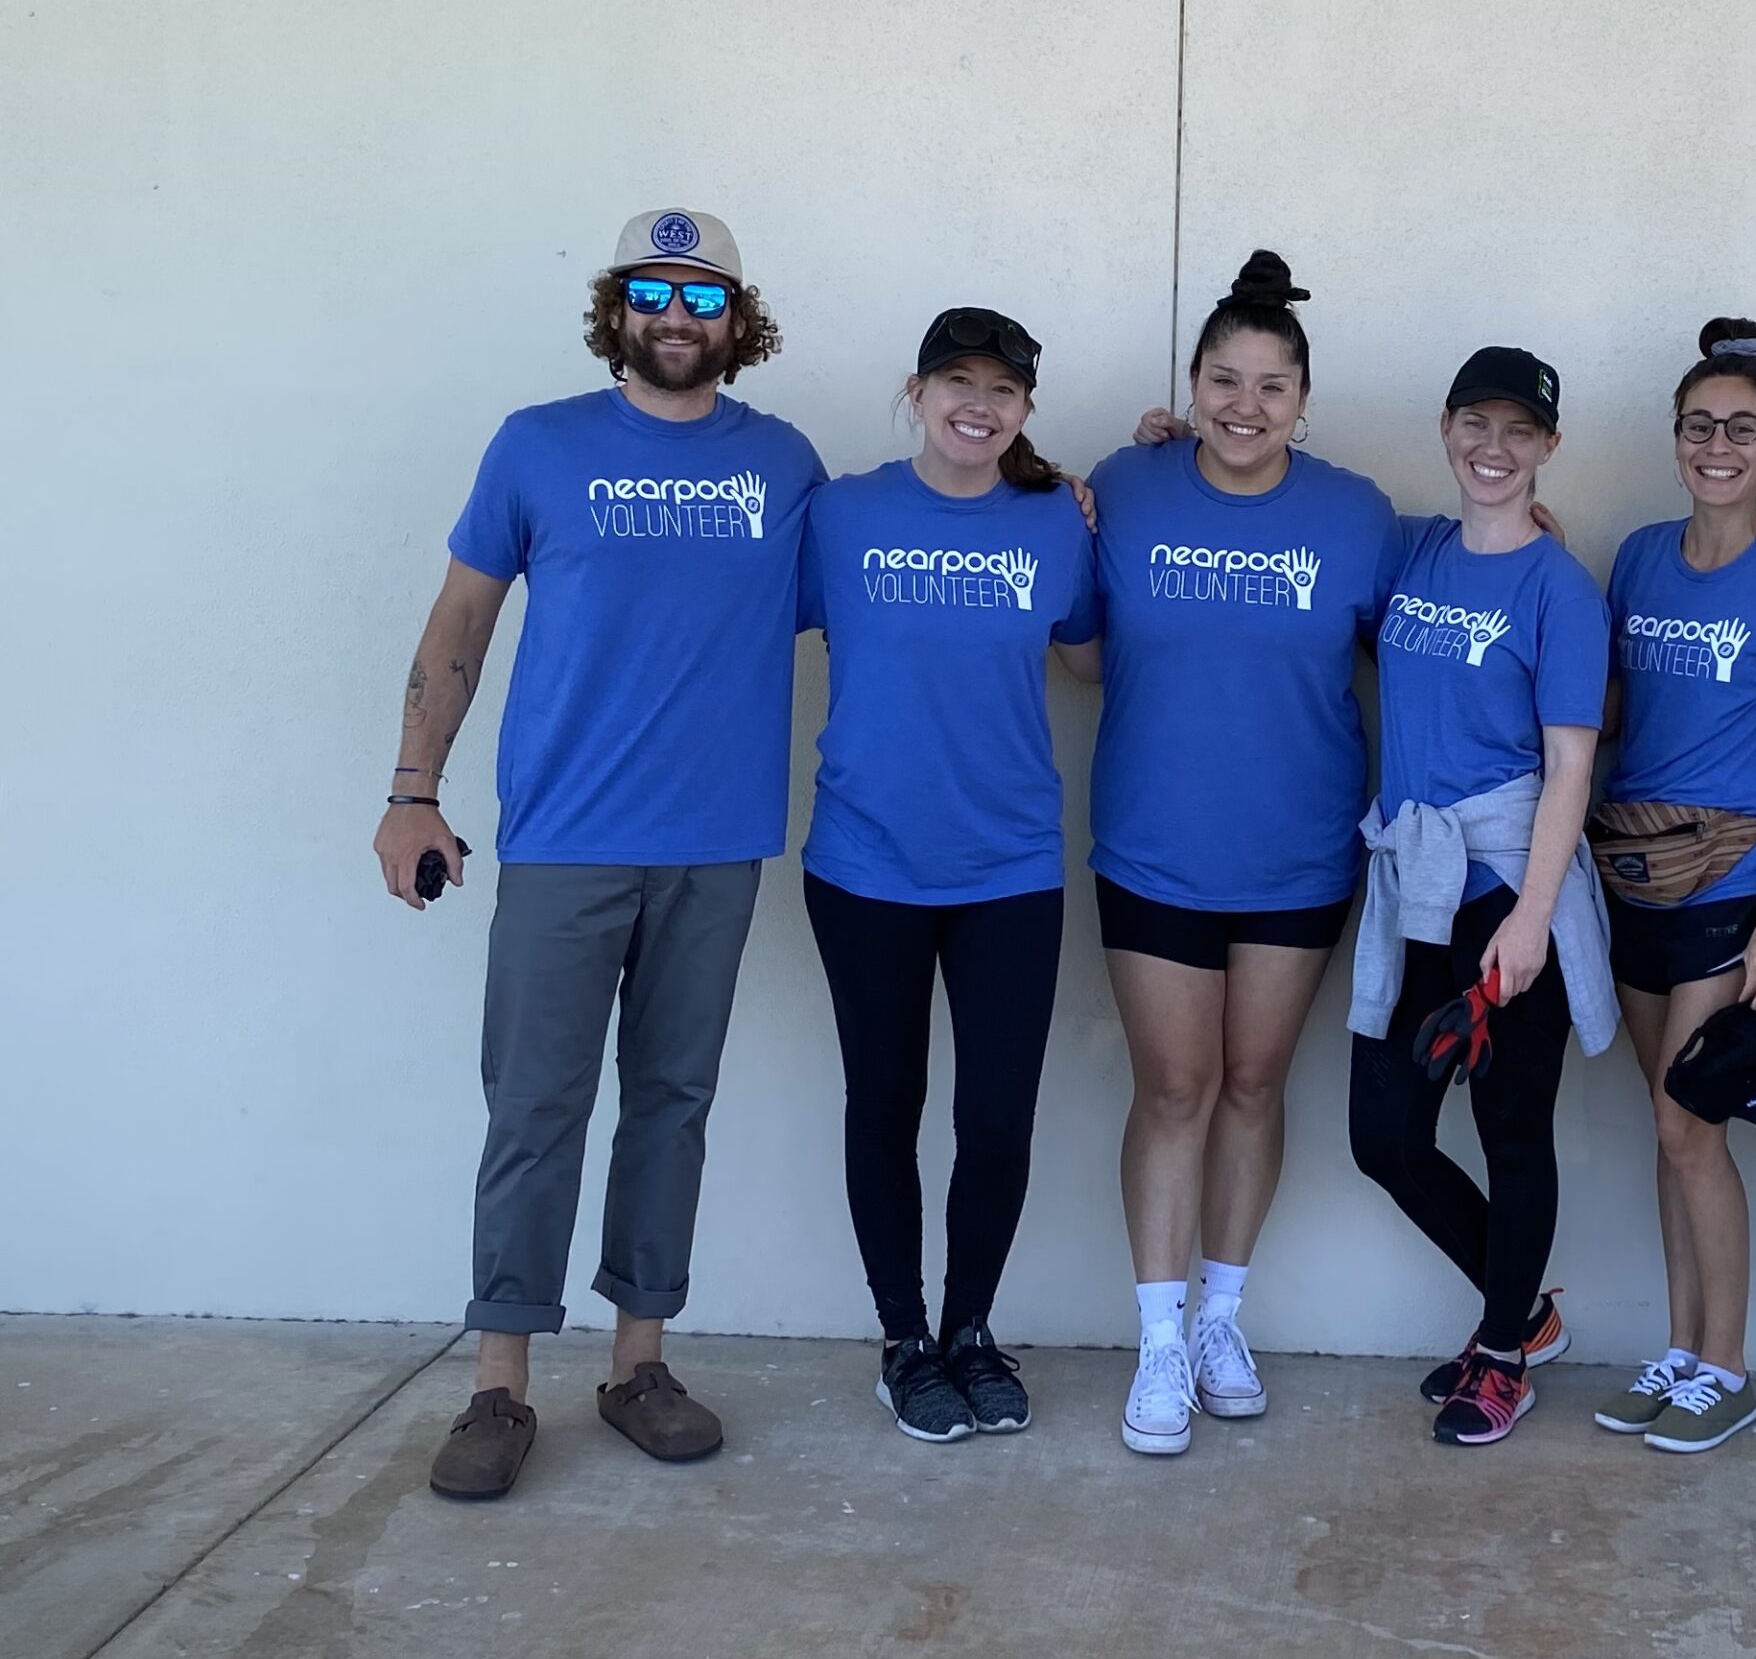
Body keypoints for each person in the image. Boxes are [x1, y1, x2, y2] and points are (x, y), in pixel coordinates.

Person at [376, 209, 823, 1502]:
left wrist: (1055, 488)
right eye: (651, 289)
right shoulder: (538, 447)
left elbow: (912, 545)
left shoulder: (786, 464)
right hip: (566, 842)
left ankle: (639, 1365)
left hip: (718, 844)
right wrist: (413, 790)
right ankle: (499, 1384)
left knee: (672, 1105)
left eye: (702, 294)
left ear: (736, 318)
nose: (675, 315)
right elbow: (460, 618)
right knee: (535, 1110)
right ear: (616, 305)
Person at [1084, 253, 1406, 1457]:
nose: (1246, 405)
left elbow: (1439, 610)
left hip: (1297, 853)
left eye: (1273, 386)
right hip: (1155, 845)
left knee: (1255, 1086)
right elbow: (1077, 643)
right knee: (1173, 1087)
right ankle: (1159, 1342)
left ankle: (1223, 1317)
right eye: (1225, 377)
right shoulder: (1125, 483)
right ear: (1191, 382)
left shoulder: (1356, 512)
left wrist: (1536, 522)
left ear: (1304, 399)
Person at [798, 306, 1100, 1445]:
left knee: (996, 1116)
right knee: (885, 1104)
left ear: (1025, 409)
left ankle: (971, 1330)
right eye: (956, 381)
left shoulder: (1056, 522)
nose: (979, 404)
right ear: (917, 391)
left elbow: (1091, 654)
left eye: (1003, 390)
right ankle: (902, 1339)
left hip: (1009, 867)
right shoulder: (841, 514)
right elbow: (733, 621)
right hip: (866, 862)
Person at [1591, 321, 1756, 1457]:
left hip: (1733, 880)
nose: (1717, 444)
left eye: (1741, 427)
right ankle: (1682, 1349)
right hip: (1631, 871)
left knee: (1688, 1121)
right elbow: (1602, 718)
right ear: (1676, 438)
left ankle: (1728, 1366)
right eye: (1699, 424)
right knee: (1670, 1130)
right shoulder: (1639, 556)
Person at [1345, 347, 1617, 1447]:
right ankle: (1526, 1311)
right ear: (1447, 425)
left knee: (1512, 1131)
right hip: (1416, 881)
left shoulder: (1561, 586)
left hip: (1507, 885)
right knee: (1385, 1134)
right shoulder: (1414, 550)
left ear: (1548, 444)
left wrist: (1530, 916)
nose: (1493, 448)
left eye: (1518, 430)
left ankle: (1501, 1349)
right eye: (1476, 424)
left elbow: (1569, 765)